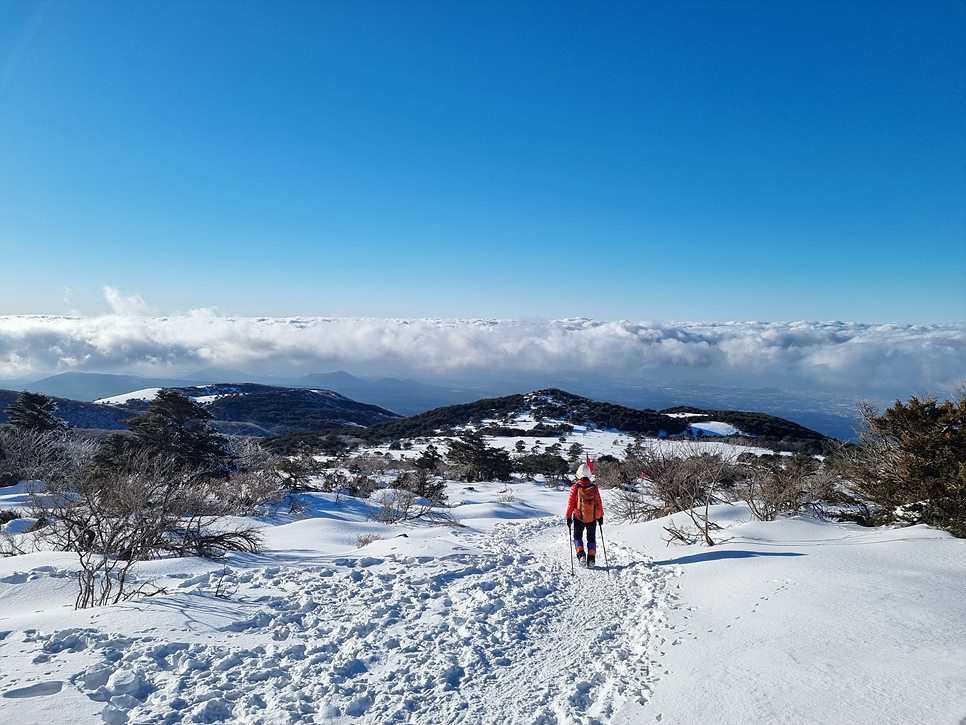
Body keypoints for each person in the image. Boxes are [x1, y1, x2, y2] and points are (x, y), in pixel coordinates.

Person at [565, 463, 604, 568]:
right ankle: (591, 558)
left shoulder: (575, 487)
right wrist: (600, 516)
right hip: (592, 518)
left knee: (577, 537)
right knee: (591, 539)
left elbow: (571, 504)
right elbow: (599, 503)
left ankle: (581, 554)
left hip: (578, 518)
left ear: (578, 474)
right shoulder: (594, 487)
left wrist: (568, 517)